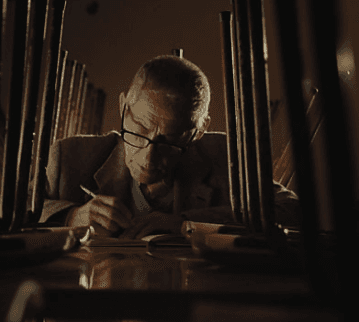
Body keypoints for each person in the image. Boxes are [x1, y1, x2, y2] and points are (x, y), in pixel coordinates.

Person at [39, 55, 300, 238]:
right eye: (139, 130)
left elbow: (293, 210)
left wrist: (187, 225)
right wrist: (72, 217)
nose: (149, 157)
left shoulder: (225, 156)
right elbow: (13, 211)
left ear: (198, 132)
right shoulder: (69, 158)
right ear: (123, 107)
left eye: (170, 141)